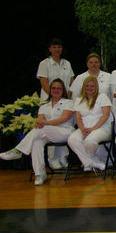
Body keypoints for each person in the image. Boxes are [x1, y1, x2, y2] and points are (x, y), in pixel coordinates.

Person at [0, 79, 74, 186]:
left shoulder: (69, 102)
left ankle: (18, 151)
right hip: (46, 133)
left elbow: (63, 119)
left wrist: (45, 122)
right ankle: (40, 174)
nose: (56, 90)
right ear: (50, 90)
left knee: (42, 129)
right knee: (36, 142)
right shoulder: (44, 105)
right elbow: (40, 121)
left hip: (64, 132)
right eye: (53, 88)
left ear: (63, 90)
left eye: (59, 88)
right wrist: (41, 122)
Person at [35, 38, 74, 168]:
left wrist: (67, 96)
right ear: (50, 49)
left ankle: (63, 158)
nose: (57, 49)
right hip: (50, 100)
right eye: (54, 47)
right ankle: (53, 160)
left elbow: (71, 81)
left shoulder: (66, 63)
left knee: (63, 127)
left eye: (59, 47)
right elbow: (44, 82)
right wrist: (55, 95)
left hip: (65, 101)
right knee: (50, 129)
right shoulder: (44, 64)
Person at [67, 76, 112, 172]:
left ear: (96, 87)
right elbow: (78, 117)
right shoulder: (79, 100)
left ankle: (87, 162)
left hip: (102, 128)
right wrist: (82, 129)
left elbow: (105, 115)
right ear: (84, 87)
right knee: (72, 139)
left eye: (92, 86)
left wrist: (93, 129)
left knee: (90, 141)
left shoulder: (103, 97)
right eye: (87, 86)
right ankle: (90, 162)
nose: (89, 88)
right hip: (84, 128)